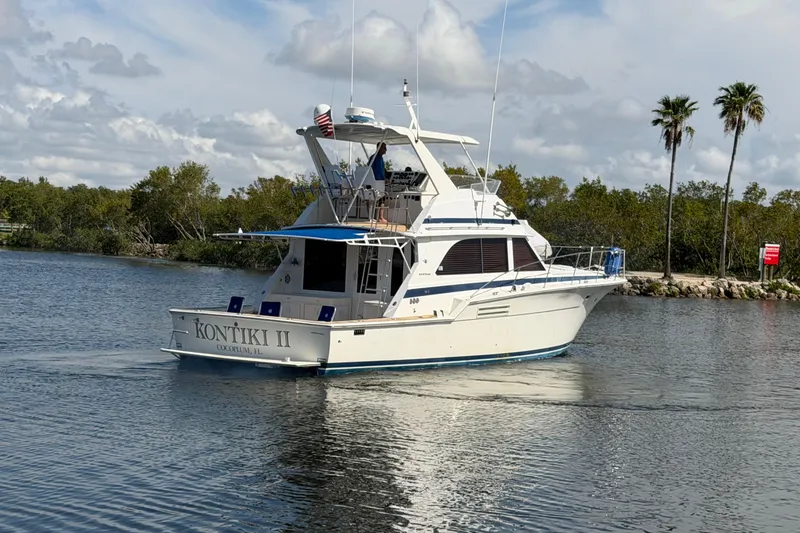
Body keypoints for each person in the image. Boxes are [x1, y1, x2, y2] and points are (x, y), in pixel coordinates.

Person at [369, 142, 388, 224]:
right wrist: (385, 179)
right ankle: (380, 217)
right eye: (384, 147)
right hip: (377, 182)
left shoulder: (374, 157)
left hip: (373, 181)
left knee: (375, 199)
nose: (386, 149)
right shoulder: (377, 158)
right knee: (381, 198)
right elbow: (378, 172)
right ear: (379, 148)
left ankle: (373, 217)